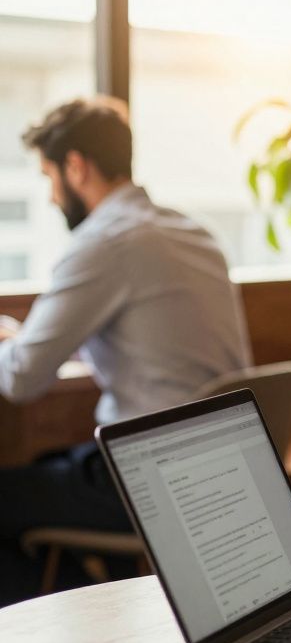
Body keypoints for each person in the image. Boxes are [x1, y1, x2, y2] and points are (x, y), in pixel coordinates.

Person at [0, 96, 252, 606]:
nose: (50, 197)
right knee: (58, 464)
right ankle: (108, 601)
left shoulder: (105, 243)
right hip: (228, 465)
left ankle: (78, 612)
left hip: (152, 479)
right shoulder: (195, 232)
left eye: (50, 177)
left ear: (76, 166)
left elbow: (22, 379)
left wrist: (9, 340)